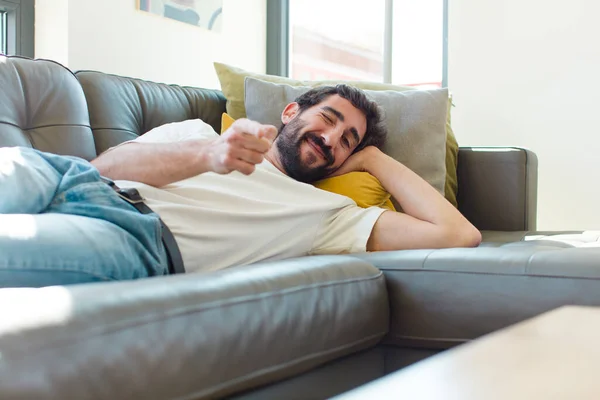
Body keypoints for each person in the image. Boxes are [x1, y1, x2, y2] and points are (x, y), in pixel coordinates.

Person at [0, 85, 481, 288]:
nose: (331, 139)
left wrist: (374, 159)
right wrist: (210, 155)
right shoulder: (202, 133)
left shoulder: (327, 214)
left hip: (135, 237)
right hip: (65, 174)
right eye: (328, 120)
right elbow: (105, 165)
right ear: (291, 112)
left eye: (347, 141)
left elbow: (458, 234)